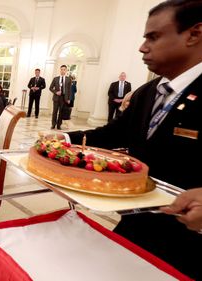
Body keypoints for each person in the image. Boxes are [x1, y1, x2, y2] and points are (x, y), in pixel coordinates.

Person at [67, 1, 201, 278]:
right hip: (138, 224)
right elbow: (112, 134)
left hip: (190, 245)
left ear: (194, 34)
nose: (142, 47)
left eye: (154, 37)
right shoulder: (150, 91)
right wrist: (63, 138)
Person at [49, 65, 72, 130]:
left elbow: (70, 90)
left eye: (64, 69)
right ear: (60, 70)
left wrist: (69, 99)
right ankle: (53, 124)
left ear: (66, 70)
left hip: (64, 98)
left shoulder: (68, 79)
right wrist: (56, 92)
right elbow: (50, 88)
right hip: (56, 98)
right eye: (61, 69)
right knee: (55, 112)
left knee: (61, 112)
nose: (62, 71)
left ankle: (59, 125)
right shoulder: (55, 78)